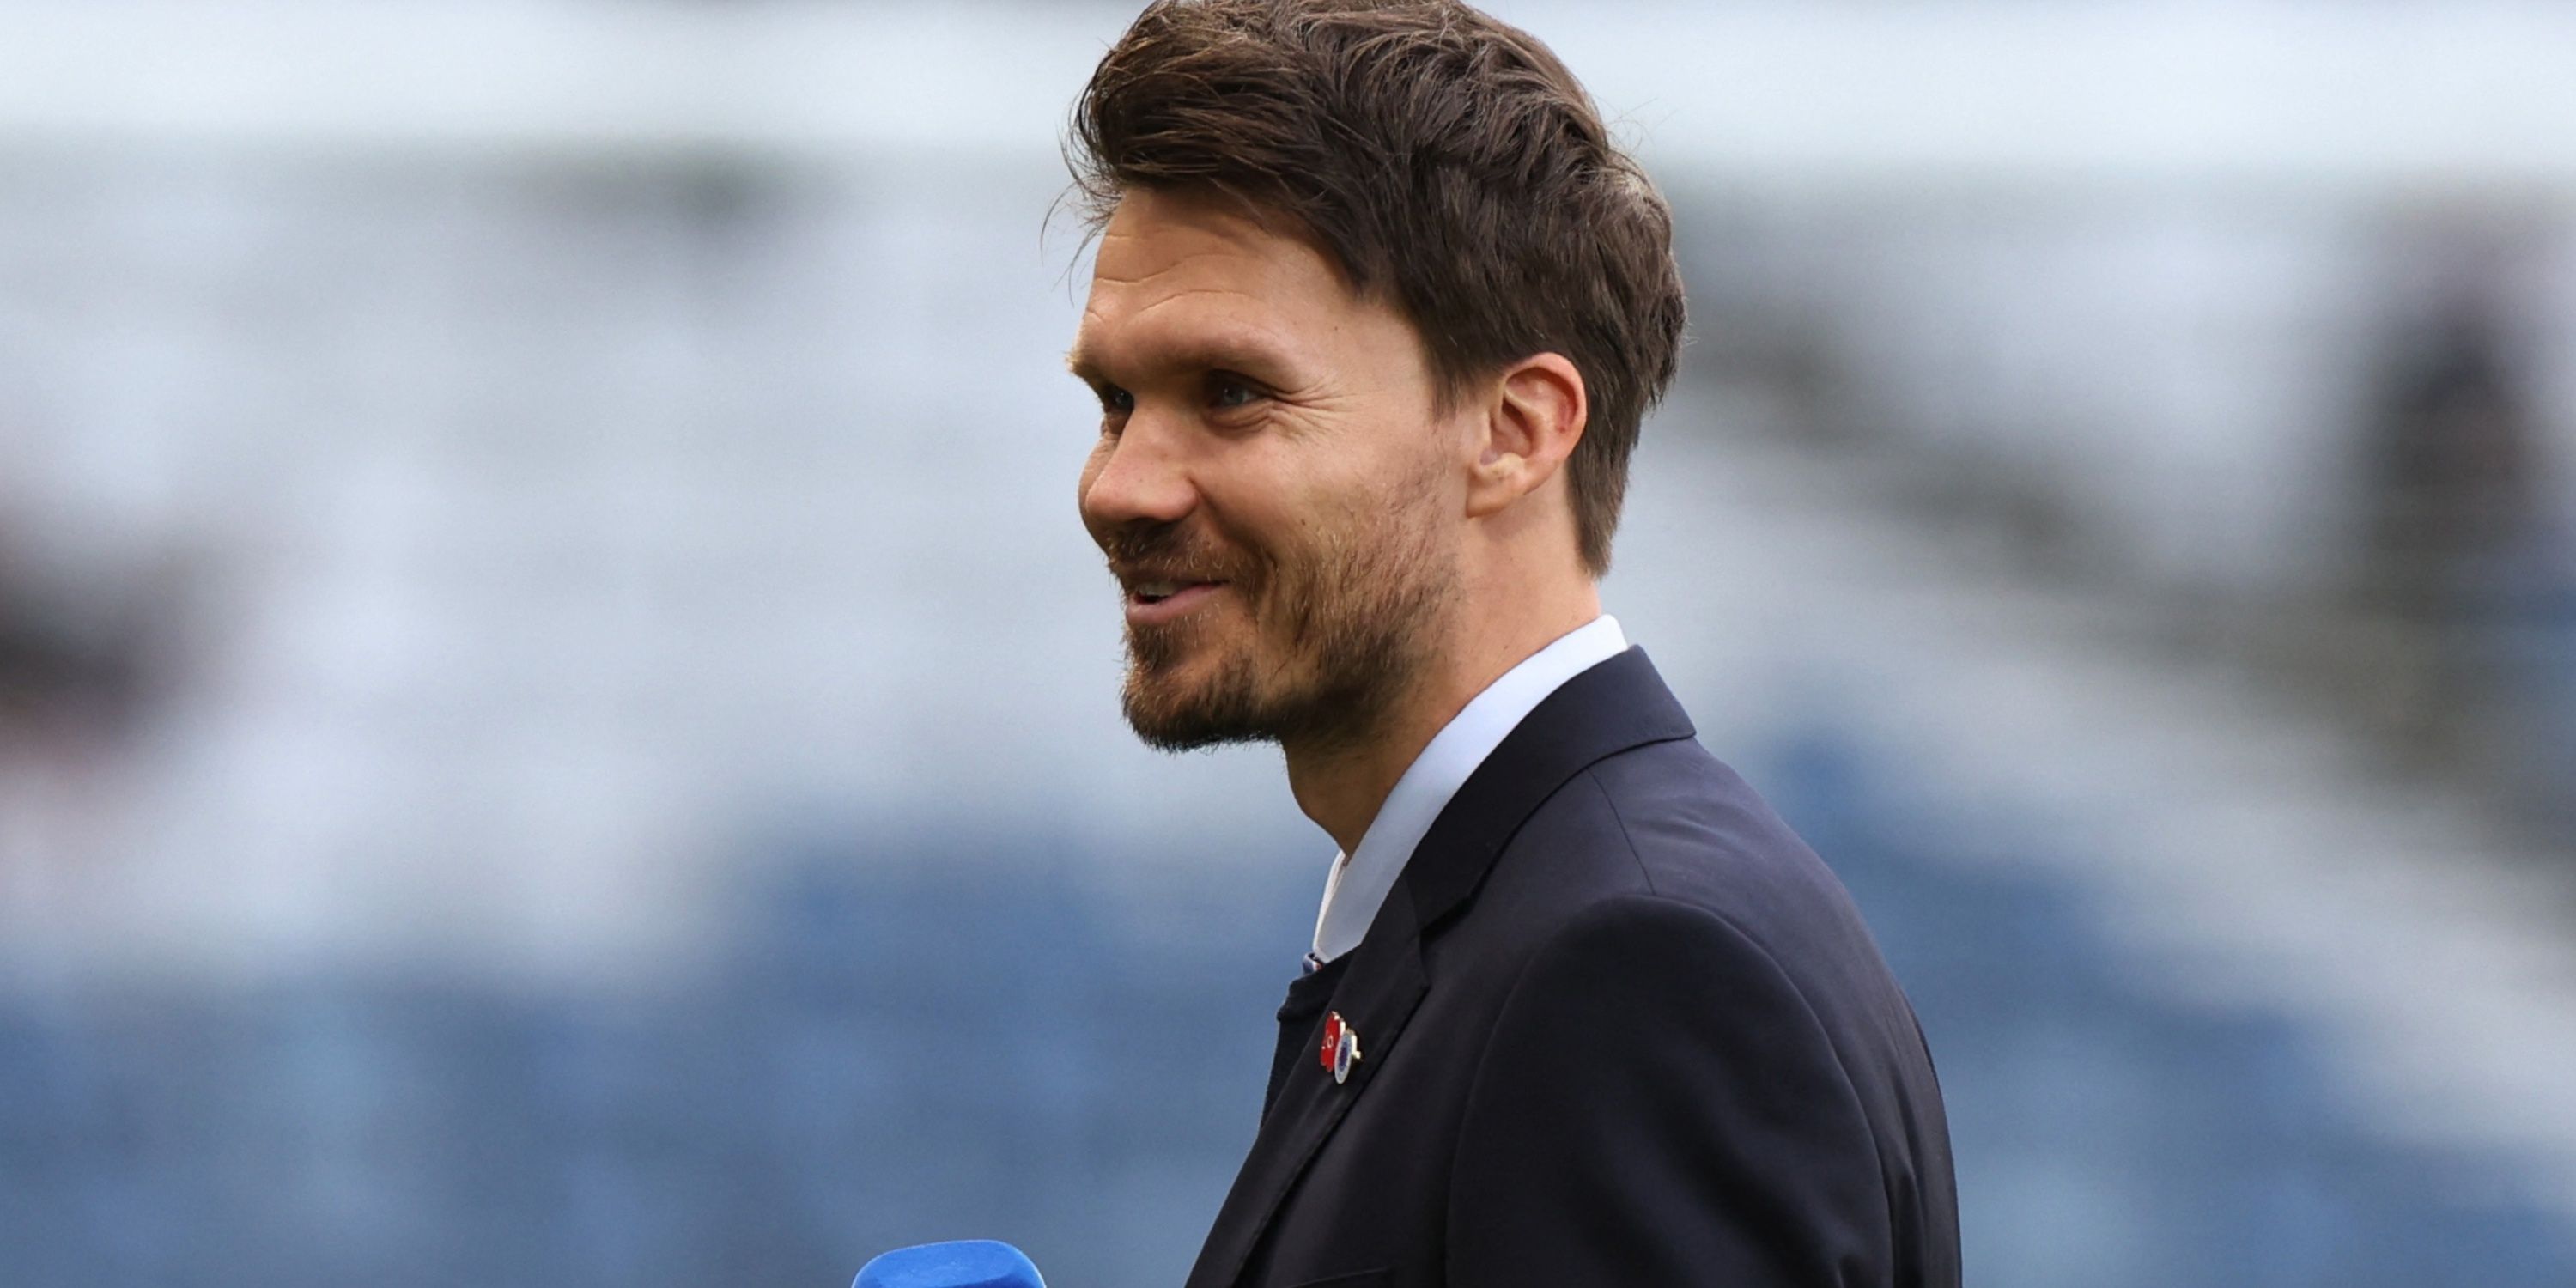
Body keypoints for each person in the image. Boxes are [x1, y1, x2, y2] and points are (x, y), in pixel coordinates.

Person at [1062, 3, 1959, 1284]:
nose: (1122, 487)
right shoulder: (1534, 918)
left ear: (1519, 429)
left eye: (1233, 395)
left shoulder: (1637, 977)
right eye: (1115, 402)